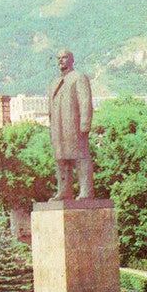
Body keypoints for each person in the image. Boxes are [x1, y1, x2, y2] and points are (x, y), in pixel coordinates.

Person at [47, 50, 95, 201]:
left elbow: (85, 101)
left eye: (64, 57)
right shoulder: (55, 82)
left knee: (80, 156)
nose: (61, 61)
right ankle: (64, 191)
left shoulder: (78, 78)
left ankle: (86, 191)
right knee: (61, 159)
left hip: (74, 125)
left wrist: (85, 123)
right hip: (58, 126)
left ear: (72, 60)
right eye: (58, 58)